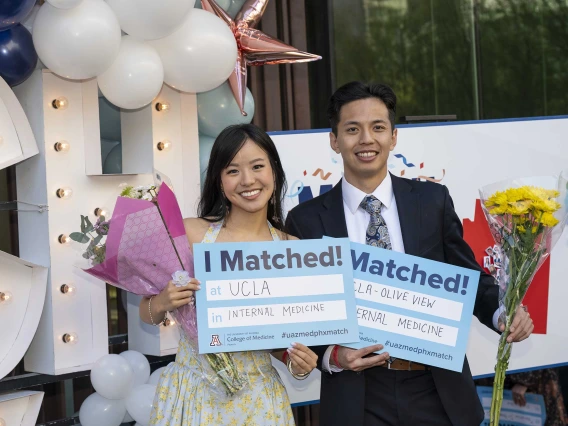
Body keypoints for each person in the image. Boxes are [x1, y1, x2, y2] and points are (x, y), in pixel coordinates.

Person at [285, 81, 534, 426]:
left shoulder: (432, 201)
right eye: (352, 129)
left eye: (377, 127)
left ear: (393, 136)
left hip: (436, 387)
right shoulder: (305, 220)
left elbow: (468, 278)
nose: (366, 140)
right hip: (357, 394)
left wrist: (501, 312)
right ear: (334, 140)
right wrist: (331, 356)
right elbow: (298, 314)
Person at [140, 123, 319, 425]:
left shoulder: (292, 248)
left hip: (260, 402)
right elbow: (147, 314)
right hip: (193, 395)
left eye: (257, 166)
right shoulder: (191, 233)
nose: (248, 180)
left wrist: (297, 363)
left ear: (274, 170)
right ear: (219, 180)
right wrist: (161, 301)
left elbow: (275, 339)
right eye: (233, 170)